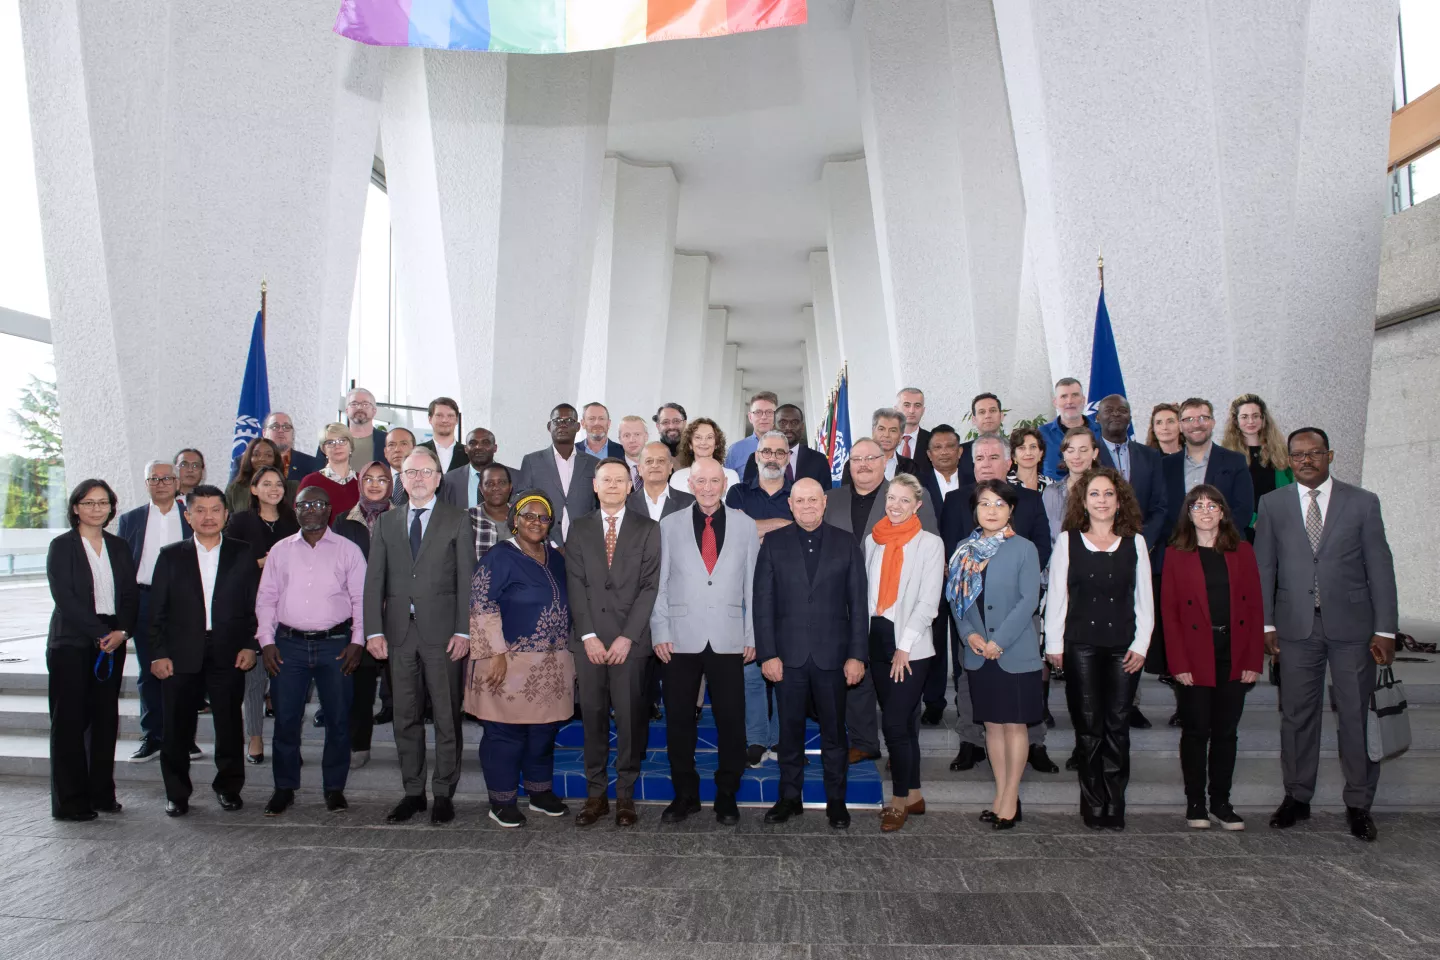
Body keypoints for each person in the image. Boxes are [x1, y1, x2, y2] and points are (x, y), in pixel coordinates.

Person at [1256, 427, 1397, 842]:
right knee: (1297, 715)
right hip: (1296, 628)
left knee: (1354, 714)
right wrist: (1266, 624)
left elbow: (1381, 569)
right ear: (1289, 460)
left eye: (1314, 453)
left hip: (1354, 630)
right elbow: (1264, 567)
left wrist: (1386, 629)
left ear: (1330, 456)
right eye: (1297, 455)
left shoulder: (1362, 502)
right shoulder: (1273, 504)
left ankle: (1359, 803)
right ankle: (1297, 797)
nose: (1305, 460)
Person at [363, 448, 476, 825]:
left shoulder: (458, 519)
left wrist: (464, 630)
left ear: (439, 478)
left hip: (443, 634)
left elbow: (466, 580)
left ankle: (443, 792)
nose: (418, 478)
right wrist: (373, 630)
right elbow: (373, 581)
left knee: (446, 716)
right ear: (403, 479)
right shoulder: (386, 522)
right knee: (404, 717)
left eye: (426, 472)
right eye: (411, 472)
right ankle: (413, 791)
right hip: (398, 634)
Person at [651, 458, 760, 825]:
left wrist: (752, 634)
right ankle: (685, 795)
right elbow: (660, 584)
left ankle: (727, 794)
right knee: (679, 721)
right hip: (679, 639)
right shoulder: (669, 525)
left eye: (715, 481)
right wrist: (660, 630)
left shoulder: (745, 525)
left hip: (730, 638)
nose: (709, 488)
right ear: (691, 484)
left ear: (725, 484)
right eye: (702, 481)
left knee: (732, 720)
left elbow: (754, 586)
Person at [1044, 466, 1154, 830]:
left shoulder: (1135, 542)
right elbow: (1058, 595)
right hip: (1081, 647)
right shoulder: (1068, 541)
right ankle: (1093, 804)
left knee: (1117, 727)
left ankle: (1115, 803)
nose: (1102, 500)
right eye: (1095, 494)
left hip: (1123, 647)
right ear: (1083, 501)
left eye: (1109, 494)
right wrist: (1055, 644)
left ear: (1119, 500)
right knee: (1089, 729)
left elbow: (1144, 600)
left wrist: (1141, 644)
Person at [754, 478, 868, 829]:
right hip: (787, 658)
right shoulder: (772, 543)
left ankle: (837, 801)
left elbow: (859, 604)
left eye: (813, 500)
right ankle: (790, 798)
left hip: (833, 657)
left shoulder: (846, 543)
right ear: (790, 504)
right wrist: (767, 654)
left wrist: (856, 655)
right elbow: (763, 604)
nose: (806, 506)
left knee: (835, 733)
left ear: (824, 503)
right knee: (789, 733)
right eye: (799, 500)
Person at [938, 433, 1055, 773]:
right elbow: (951, 553)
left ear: (1008, 463)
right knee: (968, 677)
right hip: (971, 611)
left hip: (1017, 611)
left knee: (1024, 681)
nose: (986, 464)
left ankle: (1035, 744)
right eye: (979, 459)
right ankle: (971, 741)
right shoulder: (956, 500)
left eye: (993, 458)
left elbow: (1041, 547)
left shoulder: (1030, 500)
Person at [823, 438, 938, 765]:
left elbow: (927, 546)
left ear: (883, 460)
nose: (862, 465)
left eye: (870, 458)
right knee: (855, 676)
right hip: (845, 605)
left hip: (898, 608)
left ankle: (901, 742)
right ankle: (863, 741)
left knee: (900, 681)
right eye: (856, 459)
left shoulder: (906, 495)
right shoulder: (832, 498)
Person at [147, 485, 260, 816]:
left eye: (215, 510)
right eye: (200, 510)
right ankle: (177, 794)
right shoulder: (170, 556)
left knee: (228, 725)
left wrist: (250, 645)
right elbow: (156, 612)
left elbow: (256, 606)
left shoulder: (242, 552)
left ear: (226, 515)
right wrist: (158, 653)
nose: (208, 516)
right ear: (188, 515)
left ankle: (228, 787)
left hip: (229, 652)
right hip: (180, 654)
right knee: (176, 728)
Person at [465, 490, 575, 826]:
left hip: (551, 665)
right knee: (505, 735)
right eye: (528, 516)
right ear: (514, 520)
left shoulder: (556, 557)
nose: (536, 523)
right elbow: (482, 603)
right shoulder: (499, 556)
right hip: (507, 660)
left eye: (543, 517)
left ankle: (539, 793)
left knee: (543, 733)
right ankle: (502, 800)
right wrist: (495, 652)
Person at [254, 486, 366, 816]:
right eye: (305, 504)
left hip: (336, 645)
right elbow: (266, 599)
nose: (311, 509)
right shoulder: (280, 550)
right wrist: (266, 641)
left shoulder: (348, 550)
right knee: (286, 720)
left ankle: (334, 789)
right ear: (296, 509)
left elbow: (361, 599)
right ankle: (284, 788)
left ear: (330, 510)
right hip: (287, 646)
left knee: (338, 721)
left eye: (318, 504)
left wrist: (358, 641)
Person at [1161, 485, 1264, 830]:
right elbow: (1170, 614)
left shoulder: (1243, 551)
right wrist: (1179, 664)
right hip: (1193, 654)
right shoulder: (1176, 553)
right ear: (1187, 514)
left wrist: (1253, 659)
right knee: (1195, 731)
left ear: (1223, 511)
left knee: (1226, 731)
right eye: (1197, 506)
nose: (1205, 511)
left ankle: (1221, 801)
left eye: (1212, 505)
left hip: (1233, 652)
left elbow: (1254, 608)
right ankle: (1195, 803)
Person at [565, 460, 662, 827]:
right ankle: (595, 796)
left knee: (630, 721)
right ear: (594, 485)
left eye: (619, 480)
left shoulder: (648, 529)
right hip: (588, 643)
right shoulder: (579, 528)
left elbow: (649, 586)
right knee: (592, 719)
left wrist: (627, 637)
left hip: (630, 643)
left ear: (629, 486)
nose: (612, 485)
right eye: (606, 480)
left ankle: (624, 796)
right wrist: (588, 635)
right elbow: (575, 584)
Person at [947, 479, 1043, 830]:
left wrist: (998, 641)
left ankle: (1010, 799)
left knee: (1014, 726)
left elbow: (1027, 601)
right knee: (991, 726)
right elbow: (958, 599)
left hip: (1013, 651)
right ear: (975, 509)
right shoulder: (964, 549)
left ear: (1011, 510)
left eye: (999, 504)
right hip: (977, 651)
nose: (991, 510)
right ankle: (1000, 794)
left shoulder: (1024, 549)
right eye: (985, 503)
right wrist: (969, 633)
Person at [46, 479, 138, 821]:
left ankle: (101, 793)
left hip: (112, 640)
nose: (96, 509)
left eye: (103, 503)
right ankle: (70, 802)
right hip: (71, 642)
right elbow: (65, 598)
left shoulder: (119, 546)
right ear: (75, 507)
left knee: (103, 720)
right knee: (69, 722)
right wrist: (101, 633)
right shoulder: (62, 546)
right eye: (89, 502)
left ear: (111, 508)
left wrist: (122, 632)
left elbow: (130, 595)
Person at [863, 474, 944, 832]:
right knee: (904, 725)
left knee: (895, 724)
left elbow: (929, 602)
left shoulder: (930, 544)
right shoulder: (872, 541)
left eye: (903, 501)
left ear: (917, 506)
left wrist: (904, 646)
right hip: (876, 639)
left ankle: (897, 802)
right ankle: (913, 793)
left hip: (911, 646)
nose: (895, 506)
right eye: (891, 498)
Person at [1096, 394, 1170, 726]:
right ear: (1097, 418)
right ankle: (1099, 705)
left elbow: (1161, 507)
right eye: (1108, 410)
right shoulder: (1090, 454)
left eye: (1122, 409)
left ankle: (1129, 702)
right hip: (1097, 554)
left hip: (1140, 554)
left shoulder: (1149, 457)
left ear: (1130, 416)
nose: (1116, 414)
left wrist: (1144, 543)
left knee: (1134, 624)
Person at [726, 431, 795, 765]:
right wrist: (782, 523)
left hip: (789, 592)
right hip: (745, 589)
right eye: (766, 450)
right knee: (750, 669)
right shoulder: (738, 492)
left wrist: (757, 527)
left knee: (785, 666)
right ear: (756, 456)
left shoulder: (799, 494)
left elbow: (806, 528)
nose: (772, 457)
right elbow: (734, 531)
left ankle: (782, 739)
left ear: (787, 458)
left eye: (779, 452)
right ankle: (756, 739)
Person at [117, 459, 192, 762]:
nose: (160, 484)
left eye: (166, 478)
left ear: (177, 483)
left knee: (185, 671)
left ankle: (183, 737)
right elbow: (122, 566)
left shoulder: (191, 516)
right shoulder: (130, 520)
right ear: (146, 483)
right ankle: (153, 735)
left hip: (186, 602)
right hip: (145, 600)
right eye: (154, 479)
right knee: (149, 670)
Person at [225, 465, 300, 764]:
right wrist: (260, 563)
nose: (274, 488)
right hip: (252, 608)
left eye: (278, 484)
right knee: (254, 678)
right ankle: (254, 737)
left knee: (288, 679)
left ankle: (287, 741)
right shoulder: (240, 521)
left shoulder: (293, 520)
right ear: (253, 489)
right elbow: (228, 566)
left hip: (290, 608)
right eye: (266, 483)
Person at [333, 460, 397, 765]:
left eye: (381, 479)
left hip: (398, 613)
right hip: (356, 615)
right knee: (359, 686)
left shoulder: (406, 517)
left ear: (391, 485)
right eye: (368, 479)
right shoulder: (344, 521)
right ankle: (359, 745)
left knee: (403, 686)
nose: (374, 484)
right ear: (360, 483)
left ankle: (408, 749)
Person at [1161, 398, 1255, 551]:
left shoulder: (1235, 461)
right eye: (1189, 419)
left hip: (1225, 548)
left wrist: (1214, 539)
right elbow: (1162, 509)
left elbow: (1244, 509)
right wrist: (1182, 539)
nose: (1196, 424)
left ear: (1213, 422)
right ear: (1180, 425)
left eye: (1203, 418)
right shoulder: (1165, 466)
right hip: (1180, 549)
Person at [516, 403, 598, 541]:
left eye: (569, 421)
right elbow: (521, 504)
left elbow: (597, 507)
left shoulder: (593, 464)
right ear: (549, 426)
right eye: (557, 421)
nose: (563, 425)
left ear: (578, 427)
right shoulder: (532, 461)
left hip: (584, 543)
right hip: (543, 544)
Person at [1220, 393, 1294, 539]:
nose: (1251, 421)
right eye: (1244, 417)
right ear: (1236, 421)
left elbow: (1292, 488)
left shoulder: (1281, 452)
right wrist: (1254, 521)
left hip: (1280, 526)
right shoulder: (1226, 456)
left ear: (1263, 418)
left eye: (1255, 416)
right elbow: (1224, 495)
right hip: (1243, 529)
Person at [740, 404, 830, 487]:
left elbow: (826, 497)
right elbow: (748, 493)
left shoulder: (819, 460)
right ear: (774, 427)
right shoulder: (757, 458)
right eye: (783, 423)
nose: (788, 427)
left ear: (802, 427)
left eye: (794, 423)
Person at [1042, 427, 1099, 545]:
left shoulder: (1104, 492)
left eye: (1083, 450)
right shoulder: (1050, 492)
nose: (1076, 456)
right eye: (1070, 450)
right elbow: (1045, 536)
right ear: (1063, 454)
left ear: (1094, 453)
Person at [228, 411, 318, 483]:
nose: (281, 430)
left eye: (286, 427)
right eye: (275, 426)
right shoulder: (242, 462)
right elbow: (232, 498)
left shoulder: (311, 464)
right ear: (264, 433)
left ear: (292, 433)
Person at [1038, 378, 1100, 479]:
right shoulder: (1042, 434)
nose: (1070, 401)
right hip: (1055, 493)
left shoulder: (1100, 431)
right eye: (1064, 396)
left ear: (1083, 400)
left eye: (1075, 395)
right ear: (1055, 402)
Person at [300, 423, 361, 523]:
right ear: (323, 449)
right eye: (330, 442)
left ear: (351, 446)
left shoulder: (363, 482)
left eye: (342, 441)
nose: (337, 446)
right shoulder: (310, 482)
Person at [438, 427, 512, 509]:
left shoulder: (514, 477)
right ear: (466, 449)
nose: (478, 447)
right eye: (473, 443)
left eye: (485, 442)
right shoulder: (449, 480)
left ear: (495, 448)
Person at [842, 408, 917, 484]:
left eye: (893, 430)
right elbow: (845, 494)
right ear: (873, 432)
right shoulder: (854, 464)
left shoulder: (910, 467)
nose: (886, 435)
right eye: (881, 429)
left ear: (901, 436)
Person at [226, 437, 296, 513]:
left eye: (268, 455)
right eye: (256, 454)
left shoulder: (292, 487)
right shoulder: (234, 489)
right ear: (249, 458)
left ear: (275, 460)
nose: (262, 458)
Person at [671, 418, 741, 493]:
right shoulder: (677, 478)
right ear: (690, 444)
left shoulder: (731, 476)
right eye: (698, 437)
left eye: (709, 437)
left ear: (717, 444)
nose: (703, 442)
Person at [630, 441, 695, 521]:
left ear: (670, 467)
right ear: (639, 469)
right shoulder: (626, 503)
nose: (655, 465)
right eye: (649, 461)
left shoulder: (690, 503)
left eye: (661, 461)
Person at [326, 387, 387, 467]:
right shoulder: (330, 441)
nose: (360, 408)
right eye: (354, 404)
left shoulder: (387, 441)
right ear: (347, 411)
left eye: (365, 404)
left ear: (374, 411)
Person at [722, 391, 778, 473]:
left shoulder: (787, 448)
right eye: (758, 412)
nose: (764, 417)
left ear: (777, 416)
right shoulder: (735, 450)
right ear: (750, 417)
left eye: (769, 412)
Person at [468, 464, 516, 559]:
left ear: (510, 487)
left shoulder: (524, 516)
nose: (495, 488)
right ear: (481, 489)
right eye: (489, 483)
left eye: (502, 483)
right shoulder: (467, 518)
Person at [917, 424, 965, 511]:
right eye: (938, 447)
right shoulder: (917, 485)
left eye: (950, 446)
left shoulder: (974, 482)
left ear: (960, 452)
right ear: (929, 455)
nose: (944, 452)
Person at [958, 393, 1005, 480]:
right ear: (974, 419)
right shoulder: (961, 453)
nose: (987, 416)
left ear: (1001, 416)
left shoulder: (1015, 449)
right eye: (982, 412)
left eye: (993, 410)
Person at [419, 397, 466, 473]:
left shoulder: (468, 453)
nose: (445, 420)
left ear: (457, 420)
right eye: (439, 415)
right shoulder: (417, 451)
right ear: (430, 419)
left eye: (450, 416)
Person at [1007, 427, 1052, 493]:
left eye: (1033, 447)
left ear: (1041, 453)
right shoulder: (1004, 484)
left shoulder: (1050, 485)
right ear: (1013, 455)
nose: (1028, 453)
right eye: (1022, 448)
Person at [895, 387, 930, 464]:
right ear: (896, 409)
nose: (912, 411)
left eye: (917, 405)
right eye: (906, 405)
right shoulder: (884, 442)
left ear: (923, 411)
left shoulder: (933, 441)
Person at [384, 427, 416, 506]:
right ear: (385, 452)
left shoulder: (424, 479)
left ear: (414, 449)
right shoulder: (377, 482)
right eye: (391, 445)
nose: (397, 449)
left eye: (404, 444)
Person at [617, 415, 651, 488]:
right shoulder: (614, 469)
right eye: (626, 435)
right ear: (620, 439)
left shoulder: (661, 466)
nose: (632, 440)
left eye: (637, 434)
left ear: (646, 437)